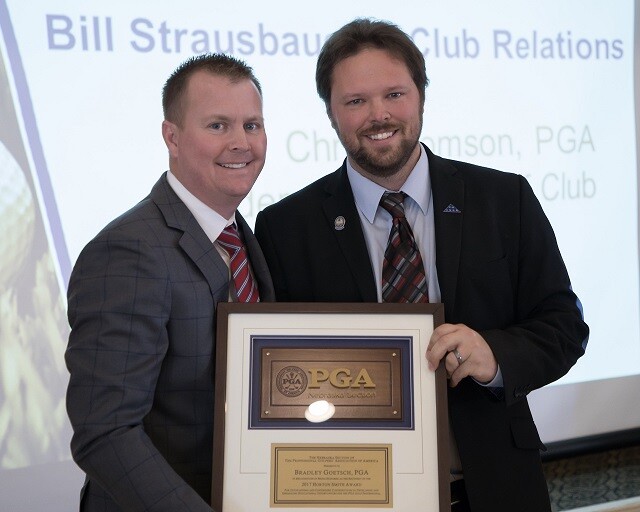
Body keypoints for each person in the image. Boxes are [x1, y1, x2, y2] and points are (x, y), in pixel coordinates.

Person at [254, 18, 589, 512]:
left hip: (496, 488)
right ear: (331, 114)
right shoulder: (285, 227)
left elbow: (563, 327)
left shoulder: (504, 198)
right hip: (352, 495)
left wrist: (494, 356)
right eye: (355, 101)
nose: (378, 115)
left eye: (394, 94)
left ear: (422, 96)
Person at [65, 53, 274, 511]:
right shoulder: (128, 251)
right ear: (172, 137)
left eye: (252, 125)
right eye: (218, 126)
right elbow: (105, 433)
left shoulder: (242, 238)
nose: (241, 143)